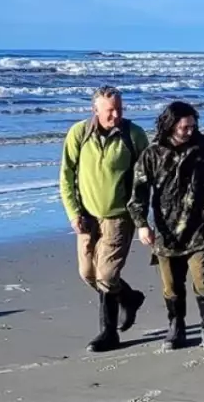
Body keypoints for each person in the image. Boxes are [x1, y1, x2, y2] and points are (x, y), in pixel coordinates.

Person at [128, 100, 204, 351]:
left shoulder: (201, 144)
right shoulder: (152, 153)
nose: (190, 131)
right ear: (170, 126)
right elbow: (138, 192)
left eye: (193, 126)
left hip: (199, 227)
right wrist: (142, 225)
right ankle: (176, 327)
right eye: (185, 127)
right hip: (166, 232)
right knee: (171, 285)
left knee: (203, 279)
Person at [58, 85, 150, 352]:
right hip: (87, 217)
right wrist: (73, 212)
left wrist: (141, 216)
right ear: (95, 110)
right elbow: (66, 176)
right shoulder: (79, 133)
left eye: (119, 109)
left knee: (107, 275)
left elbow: (145, 178)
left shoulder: (134, 135)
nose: (115, 115)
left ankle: (108, 333)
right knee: (88, 274)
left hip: (119, 216)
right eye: (110, 110)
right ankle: (130, 298)